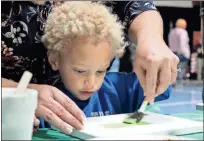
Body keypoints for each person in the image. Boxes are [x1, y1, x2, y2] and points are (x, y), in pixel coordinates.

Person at [1, 1, 178, 132]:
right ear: (54, 60)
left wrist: (159, 72)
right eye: (80, 71)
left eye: (101, 70)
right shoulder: (49, 107)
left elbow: (162, 86)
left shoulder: (120, 88)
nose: (91, 83)